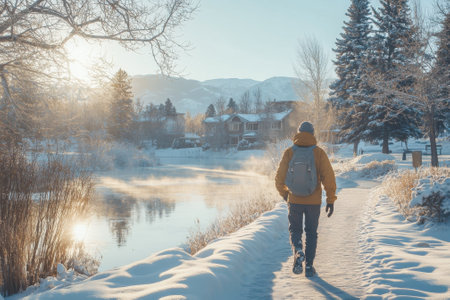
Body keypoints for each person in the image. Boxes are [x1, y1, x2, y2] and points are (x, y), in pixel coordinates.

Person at [275, 121, 337, 277]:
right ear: (313, 134)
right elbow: (328, 178)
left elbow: (278, 178)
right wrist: (330, 200)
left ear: (298, 133)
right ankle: (309, 267)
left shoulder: (289, 152)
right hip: (313, 202)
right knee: (311, 233)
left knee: (295, 230)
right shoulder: (319, 153)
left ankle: (298, 251)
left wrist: (285, 194)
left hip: (294, 200)